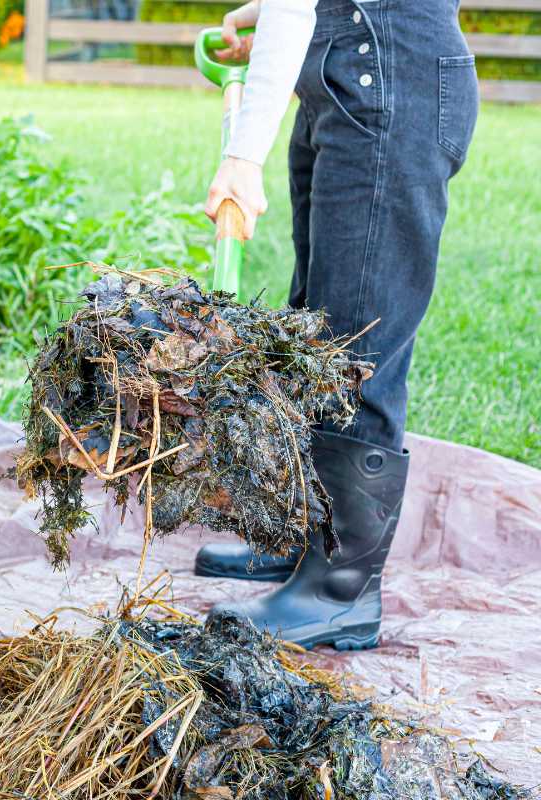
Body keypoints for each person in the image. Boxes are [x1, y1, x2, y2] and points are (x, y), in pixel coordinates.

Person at [195, 0, 479, 650]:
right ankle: (306, 540)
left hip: (390, 86)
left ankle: (339, 590)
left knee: (355, 346)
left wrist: (243, 156)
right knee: (316, 324)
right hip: (345, 81)